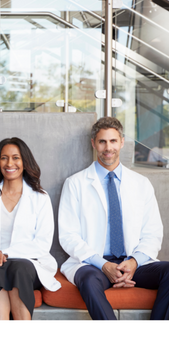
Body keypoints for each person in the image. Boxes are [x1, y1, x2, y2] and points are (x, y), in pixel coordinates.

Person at [59, 116, 169, 320]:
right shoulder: (75, 183)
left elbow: (153, 233)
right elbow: (69, 236)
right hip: (93, 265)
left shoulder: (141, 183)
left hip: (134, 264)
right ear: (93, 144)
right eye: (102, 141)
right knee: (89, 281)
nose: (107, 148)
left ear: (121, 142)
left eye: (112, 141)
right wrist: (104, 265)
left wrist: (134, 262)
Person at [0, 138, 61, 320]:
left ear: (25, 162)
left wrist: (2, 253)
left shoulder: (40, 197)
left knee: (18, 268)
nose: (10, 163)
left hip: (28, 263)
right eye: (4, 158)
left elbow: (42, 243)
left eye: (16, 158)